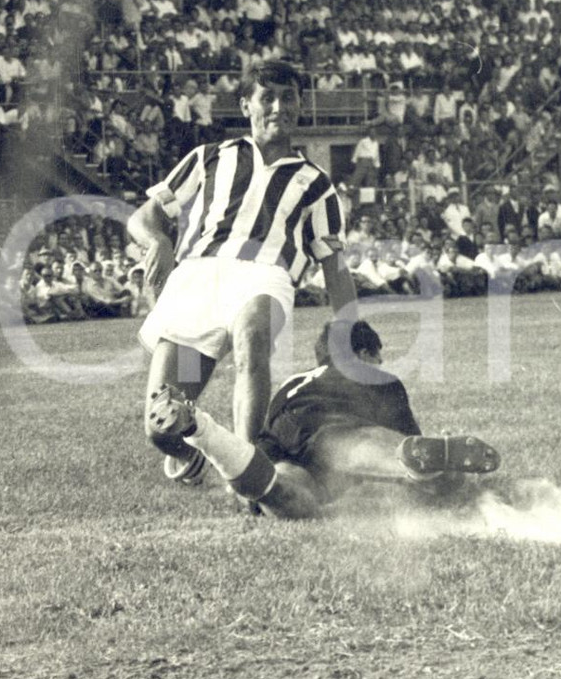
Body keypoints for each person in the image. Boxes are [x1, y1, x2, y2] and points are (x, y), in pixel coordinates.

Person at [130, 59, 362, 482]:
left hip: (265, 276)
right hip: (197, 280)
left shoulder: (315, 183)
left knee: (253, 337)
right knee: (160, 425)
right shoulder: (209, 157)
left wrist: (350, 331)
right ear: (246, 106)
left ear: (300, 106)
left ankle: (252, 476)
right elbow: (142, 219)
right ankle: (195, 456)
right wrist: (159, 242)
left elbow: (334, 264)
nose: (278, 107)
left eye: (288, 98)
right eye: (267, 97)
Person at [147, 320, 500, 518]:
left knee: (284, 490)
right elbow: (406, 448)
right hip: (330, 426)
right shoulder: (370, 375)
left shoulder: (294, 381)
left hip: (282, 430)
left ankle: (200, 430)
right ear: (364, 354)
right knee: (369, 447)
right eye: (378, 357)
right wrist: (435, 465)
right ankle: (434, 462)